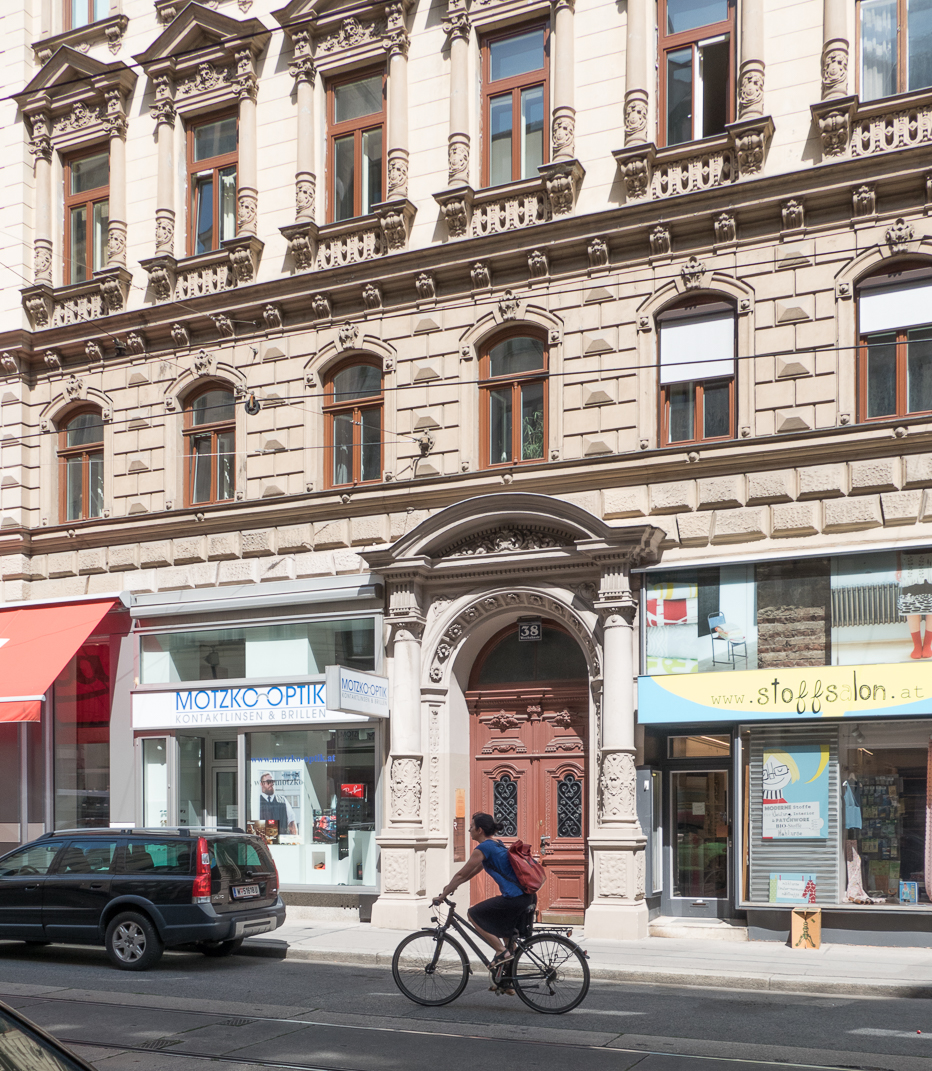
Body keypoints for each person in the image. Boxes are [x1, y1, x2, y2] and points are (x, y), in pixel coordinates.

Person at [432, 812, 535, 987]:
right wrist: (452, 887)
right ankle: (506, 982)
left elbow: (461, 873)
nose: (469, 830)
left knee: (473, 913)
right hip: (525, 897)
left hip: (514, 899)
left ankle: (501, 953)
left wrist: (443, 895)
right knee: (507, 936)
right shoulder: (496, 844)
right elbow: (473, 871)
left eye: (471, 827)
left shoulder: (484, 848)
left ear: (479, 830)